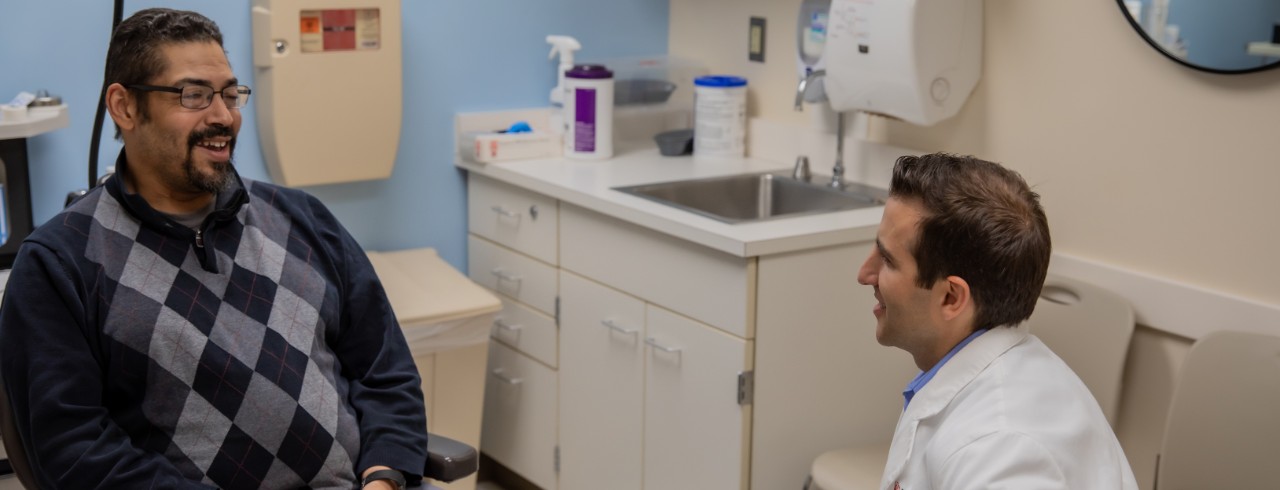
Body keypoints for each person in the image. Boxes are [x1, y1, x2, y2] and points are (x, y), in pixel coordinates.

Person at [0, 8, 426, 489]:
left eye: (229, 94)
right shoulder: (61, 264)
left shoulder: (303, 220)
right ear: (124, 107)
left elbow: (385, 371)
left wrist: (384, 476)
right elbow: (76, 453)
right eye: (194, 95)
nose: (223, 116)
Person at [856, 153, 1138, 489]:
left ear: (951, 298)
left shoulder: (1001, 450)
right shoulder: (970, 373)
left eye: (887, 260)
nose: (864, 274)